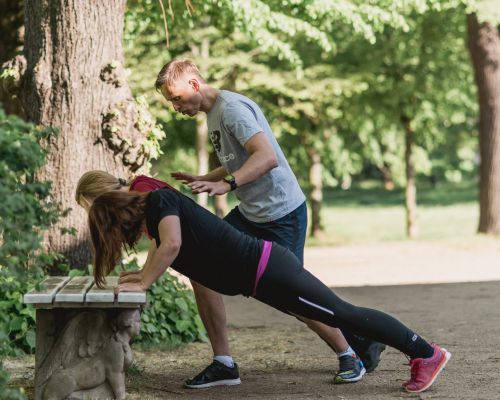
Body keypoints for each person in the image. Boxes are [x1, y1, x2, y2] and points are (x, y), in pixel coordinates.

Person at [155, 59, 385, 386]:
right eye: (170, 102)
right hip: (252, 215)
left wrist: (229, 185)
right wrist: (206, 177)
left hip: (281, 216)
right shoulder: (215, 113)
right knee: (199, 264)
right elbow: (239, 158)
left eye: (176, 98)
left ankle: (351, 352)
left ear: (194, 85)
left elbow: (267, 157)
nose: (175, 107)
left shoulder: (231, 109)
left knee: (292, 294)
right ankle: (224, 363)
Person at [87, 188, 451, 394]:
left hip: (268, 269)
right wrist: (139, 274)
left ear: (116, 216)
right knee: (335, 314)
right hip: (259, 281)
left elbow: (172, 245)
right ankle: (377, 347)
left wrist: (146, 279)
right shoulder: (154, 216)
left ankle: (425, 352)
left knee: (343, 313)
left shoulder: (159, 201)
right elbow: (167, 247)